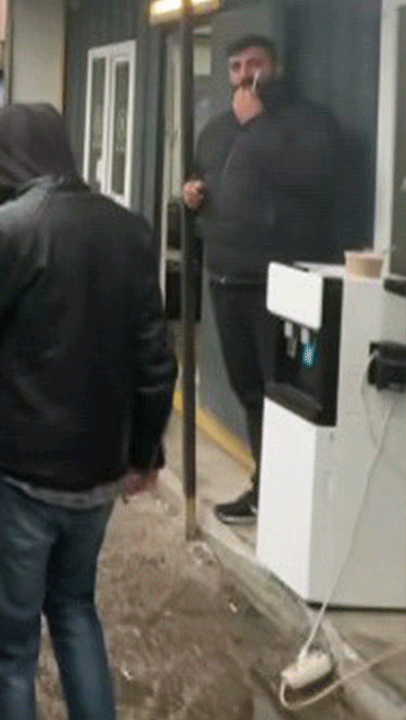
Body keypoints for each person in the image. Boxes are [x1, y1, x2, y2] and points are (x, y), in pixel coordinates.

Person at [0, 103, 176, 720]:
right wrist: (144, 455)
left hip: (21, 473)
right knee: (75, 610)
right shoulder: (130, 229)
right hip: (98, 471)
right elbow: (156, 359)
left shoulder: (8, 231)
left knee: (10, 648)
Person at [182, 35, 340, 525]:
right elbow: (202, 179)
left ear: (277, 68)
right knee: (248, 389)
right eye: (236, 66)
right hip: (225, 276)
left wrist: (257, 125)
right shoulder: (215, 130)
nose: (245, 75)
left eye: (255, 64)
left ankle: (287, 499)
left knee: (284, 392)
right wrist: (192, 196)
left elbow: (312, 177)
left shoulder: (308, 123)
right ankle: (265, 488)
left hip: (278, 282)